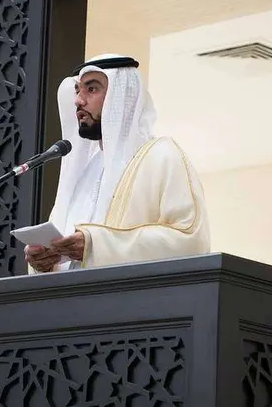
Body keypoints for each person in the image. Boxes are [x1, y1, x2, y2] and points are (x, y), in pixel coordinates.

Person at [25, 53, 211, 273]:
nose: (78, 100)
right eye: (77, 91)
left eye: (91, 89)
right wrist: (43, 262)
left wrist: (97, 245)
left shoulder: (162, 156)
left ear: (124, 96)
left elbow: (191, 242)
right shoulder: (84, 171)